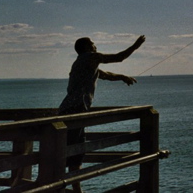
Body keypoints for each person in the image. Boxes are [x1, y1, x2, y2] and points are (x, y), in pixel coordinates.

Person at [58, 35, 145, 192]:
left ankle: (76, 189)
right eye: (93, 44)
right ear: (86, 48)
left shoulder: (83, 63)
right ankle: (58, 185)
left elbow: (105, 75)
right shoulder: (90, 57)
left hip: (74, 110)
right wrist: (136, 45)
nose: (96, 46)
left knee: (77, 149)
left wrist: (122, 77)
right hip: (74, 109)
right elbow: (119, 58)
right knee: (71, 151)